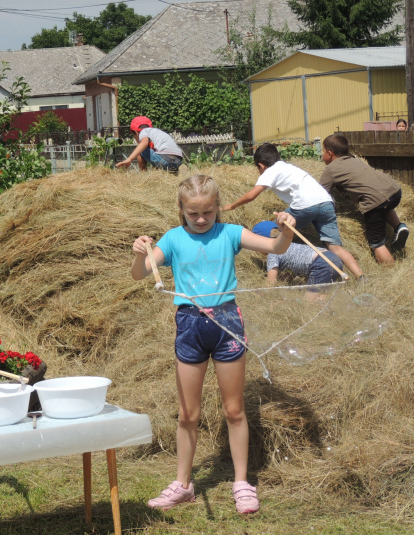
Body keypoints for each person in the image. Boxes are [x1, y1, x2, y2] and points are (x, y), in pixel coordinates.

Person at [131, 174, 296, 515]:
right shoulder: (174, 239)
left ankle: (241, 483)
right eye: (193, 213)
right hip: (190, 325)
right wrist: (139, 253)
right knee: (187, 414)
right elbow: (140, 273)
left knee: (233, 410)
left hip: (227, 324)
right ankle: (183, 484)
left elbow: (276, 247)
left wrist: (287, 229)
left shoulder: (231, 233)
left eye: (207, 211)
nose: (201, 219)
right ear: (181, 210)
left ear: (218, 207)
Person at [222, 143, 363, 279]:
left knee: (274, 231)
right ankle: (360, 276)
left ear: (261, 165)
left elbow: (252, 195)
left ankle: (276, 269)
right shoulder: (287, 166)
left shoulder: (269, 171)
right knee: (335, 247)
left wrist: (231, 206)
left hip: (304, 205)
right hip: (326, 202)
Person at [319, 134, 409, 265]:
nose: (322, 155)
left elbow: (321, 194)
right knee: (384, 205)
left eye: (323, 151)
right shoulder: (354, 159)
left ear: (329, 153)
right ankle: (399, 226)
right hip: (394, 190)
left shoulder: (330, 170)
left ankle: (391, 273)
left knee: (377, 243)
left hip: (375, 200)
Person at [252, 220, 343, 287]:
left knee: (310, 301)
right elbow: (295, 270)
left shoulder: (273, 253)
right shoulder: (286, 245)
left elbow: (271, 283)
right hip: (332, 258)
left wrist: (262, 294)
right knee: (317, 292)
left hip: (322, 262)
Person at [116, 115, 183, 173]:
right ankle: (170, 172)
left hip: (165, 160)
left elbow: (144, 143)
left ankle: (143, 175)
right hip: (178, 161)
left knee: (140, 150)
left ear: (136, 132)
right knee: (155, 151)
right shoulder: (157, 131)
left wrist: (129, 159)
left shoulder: (143, 131)